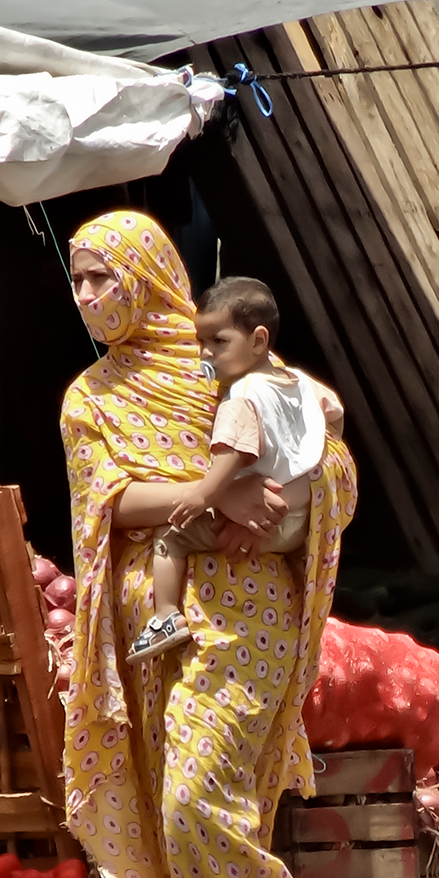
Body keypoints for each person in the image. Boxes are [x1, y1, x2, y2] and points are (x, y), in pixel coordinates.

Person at [61, 211, 356, 878]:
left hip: (252, 618)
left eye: (101, 278)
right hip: (157, 631)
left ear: (149, 278)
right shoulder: (90, 397)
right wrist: (211, 494)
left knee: (200, 802)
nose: (86, 298)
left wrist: (279, 495)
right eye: (76, 281)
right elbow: (103, 505)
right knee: (177, 821)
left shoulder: (226, 365)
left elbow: (327, 454)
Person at [126, 276, 345, 663]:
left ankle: (164, 618)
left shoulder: (240, 396)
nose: (205, 354)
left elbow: (234, 454)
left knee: (169, 537)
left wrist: (204, 495)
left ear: (259, 340)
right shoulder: (298, 383)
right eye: (201, 343)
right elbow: (335, 418)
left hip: (264, 521)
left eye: (219, 342)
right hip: (300, 522)